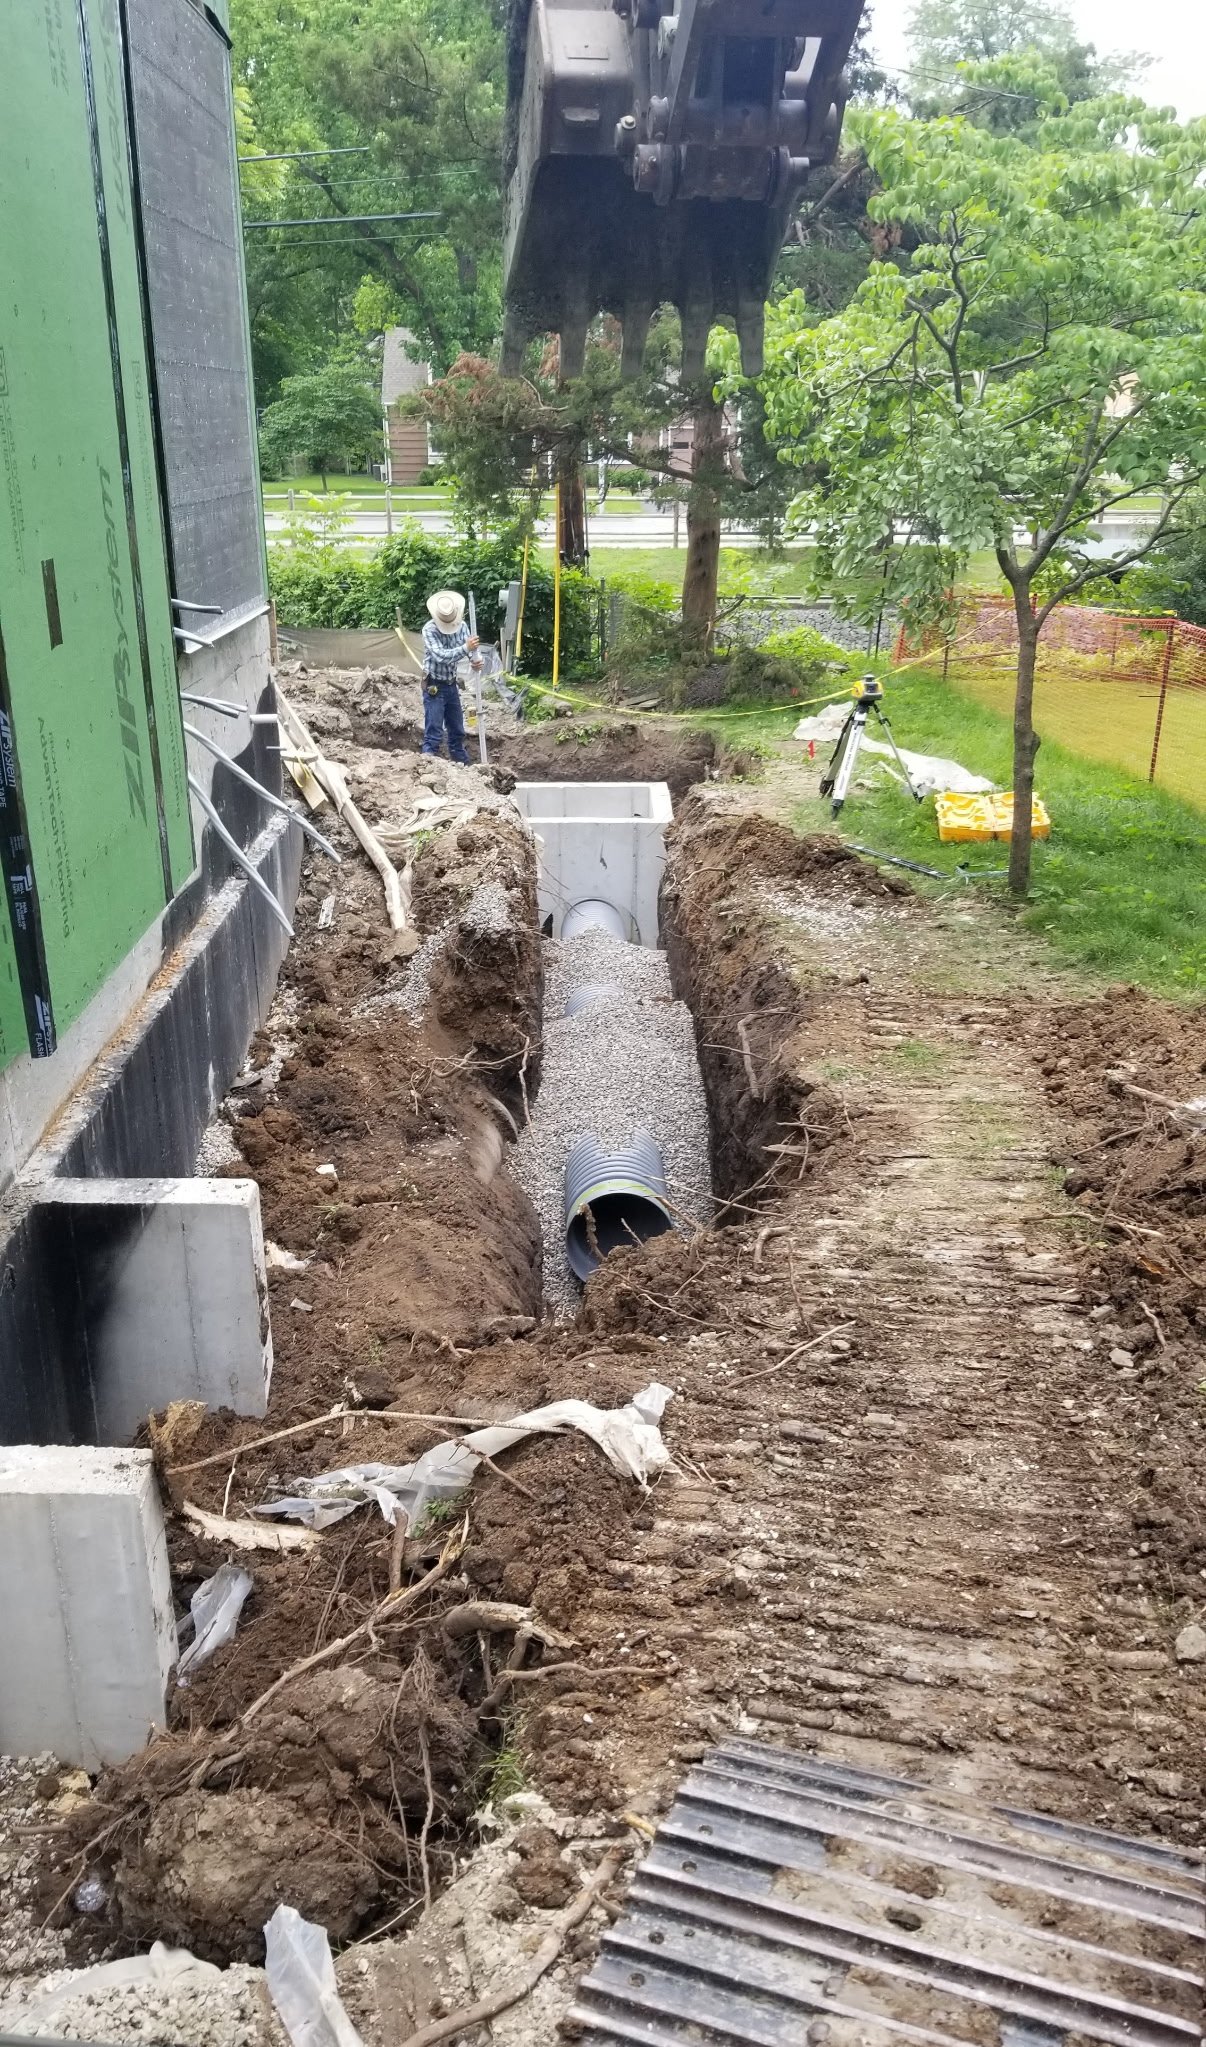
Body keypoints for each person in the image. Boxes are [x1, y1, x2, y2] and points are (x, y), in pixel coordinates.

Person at [420, 590, 479, 765]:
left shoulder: (462, 626)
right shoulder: (429, 630)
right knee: (434, 730)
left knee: (457, 729)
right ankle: (428, 764)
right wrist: (466, 649)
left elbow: (471, 649)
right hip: (434, 684)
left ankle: (463, 765)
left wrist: (475, 660)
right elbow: (441, 656)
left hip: (451, 683)